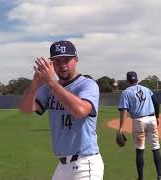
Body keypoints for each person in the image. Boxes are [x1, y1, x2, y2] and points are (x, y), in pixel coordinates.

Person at [19, 40, 104, 180]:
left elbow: (80, 111)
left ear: (76, 60)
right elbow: (25, 108)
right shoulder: (48, 88)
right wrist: (35, 84)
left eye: (67, 59)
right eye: (57, 61)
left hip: (85, 164)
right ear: (51, 64)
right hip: (62, 166)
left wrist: (51, 82)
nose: (62, 65)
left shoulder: (87, 85)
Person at [117, 71, 161, 180]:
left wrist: (120, 129)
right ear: (137, 79)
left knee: (140, 150)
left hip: (138, 121)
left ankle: (141, 178)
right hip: (151, 119)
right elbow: (156, 103)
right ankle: (160, 176)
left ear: (128, 80)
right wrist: (157, 117)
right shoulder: (147, 89)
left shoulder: (126, 92)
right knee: (155, 147)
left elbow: (123, 111)